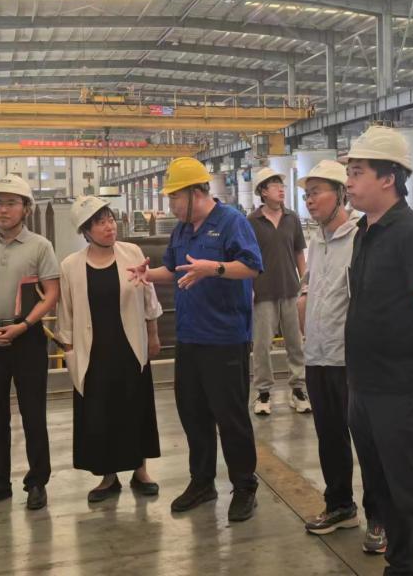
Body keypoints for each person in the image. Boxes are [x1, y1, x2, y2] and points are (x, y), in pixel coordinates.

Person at [344, 126, 413, 576]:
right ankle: (401, 566)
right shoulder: (365, 231)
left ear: (388, 177)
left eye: (357, 172)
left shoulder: (412, 235)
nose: (349, 181)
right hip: (365, 386)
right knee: (384, 489)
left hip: (404, 389)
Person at [128, 157, 264, 523]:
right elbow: (174, 270)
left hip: (225, 338)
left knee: (231, 417)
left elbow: (252, 266)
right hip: (190, 338)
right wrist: (146, 274)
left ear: (196, 192)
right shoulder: (182, 230)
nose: (171, 204)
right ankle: (203, 482)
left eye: (175, 197)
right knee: (193, 414)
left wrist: (213, 268)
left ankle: (245, 486)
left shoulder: (231, 222)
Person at [296, 159, 386, 554]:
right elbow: (310, 285)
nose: (309, 200)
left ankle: (380, 517)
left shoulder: (362, 238)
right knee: (329, 437)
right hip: (317, 354)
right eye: (306, 194)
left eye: (316, 192)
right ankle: (340, 506)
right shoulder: (316, 241)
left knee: (368, 441)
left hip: (351, 359)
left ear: (340, 194)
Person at [0, 175, 60, 512]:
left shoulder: (40, 247)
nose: (3, 210)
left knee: (33, 413)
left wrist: (25, 325)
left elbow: (52, 294)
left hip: (27, 337)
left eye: (11, 203)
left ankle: (37, 482)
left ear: (26, 208)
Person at [55, 196, 164, 502]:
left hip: (130, 346)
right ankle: (108, 477)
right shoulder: (71, 266)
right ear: (85, 231)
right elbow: (66, 312)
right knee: (100, 412)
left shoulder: (132, 252)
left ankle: (141, 471)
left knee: (136, 407)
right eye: (100, 223)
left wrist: (153, 335)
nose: (109, 227)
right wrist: (69, 352)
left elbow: (148, 297)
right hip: (94, 352)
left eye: (111, 220)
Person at [248, 167, 309, 416]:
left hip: (290, 289)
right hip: (262, 291)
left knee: (296, 343)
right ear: (263, 191)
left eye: (282, 185)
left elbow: (299, 253)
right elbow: (247, 258)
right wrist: (248, 288)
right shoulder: (252, 221)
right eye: (275, 185)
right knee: (262, 345)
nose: (281, 189)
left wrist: (305, 284)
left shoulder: (292, 218)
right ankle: (263, 392)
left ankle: (298, 389)